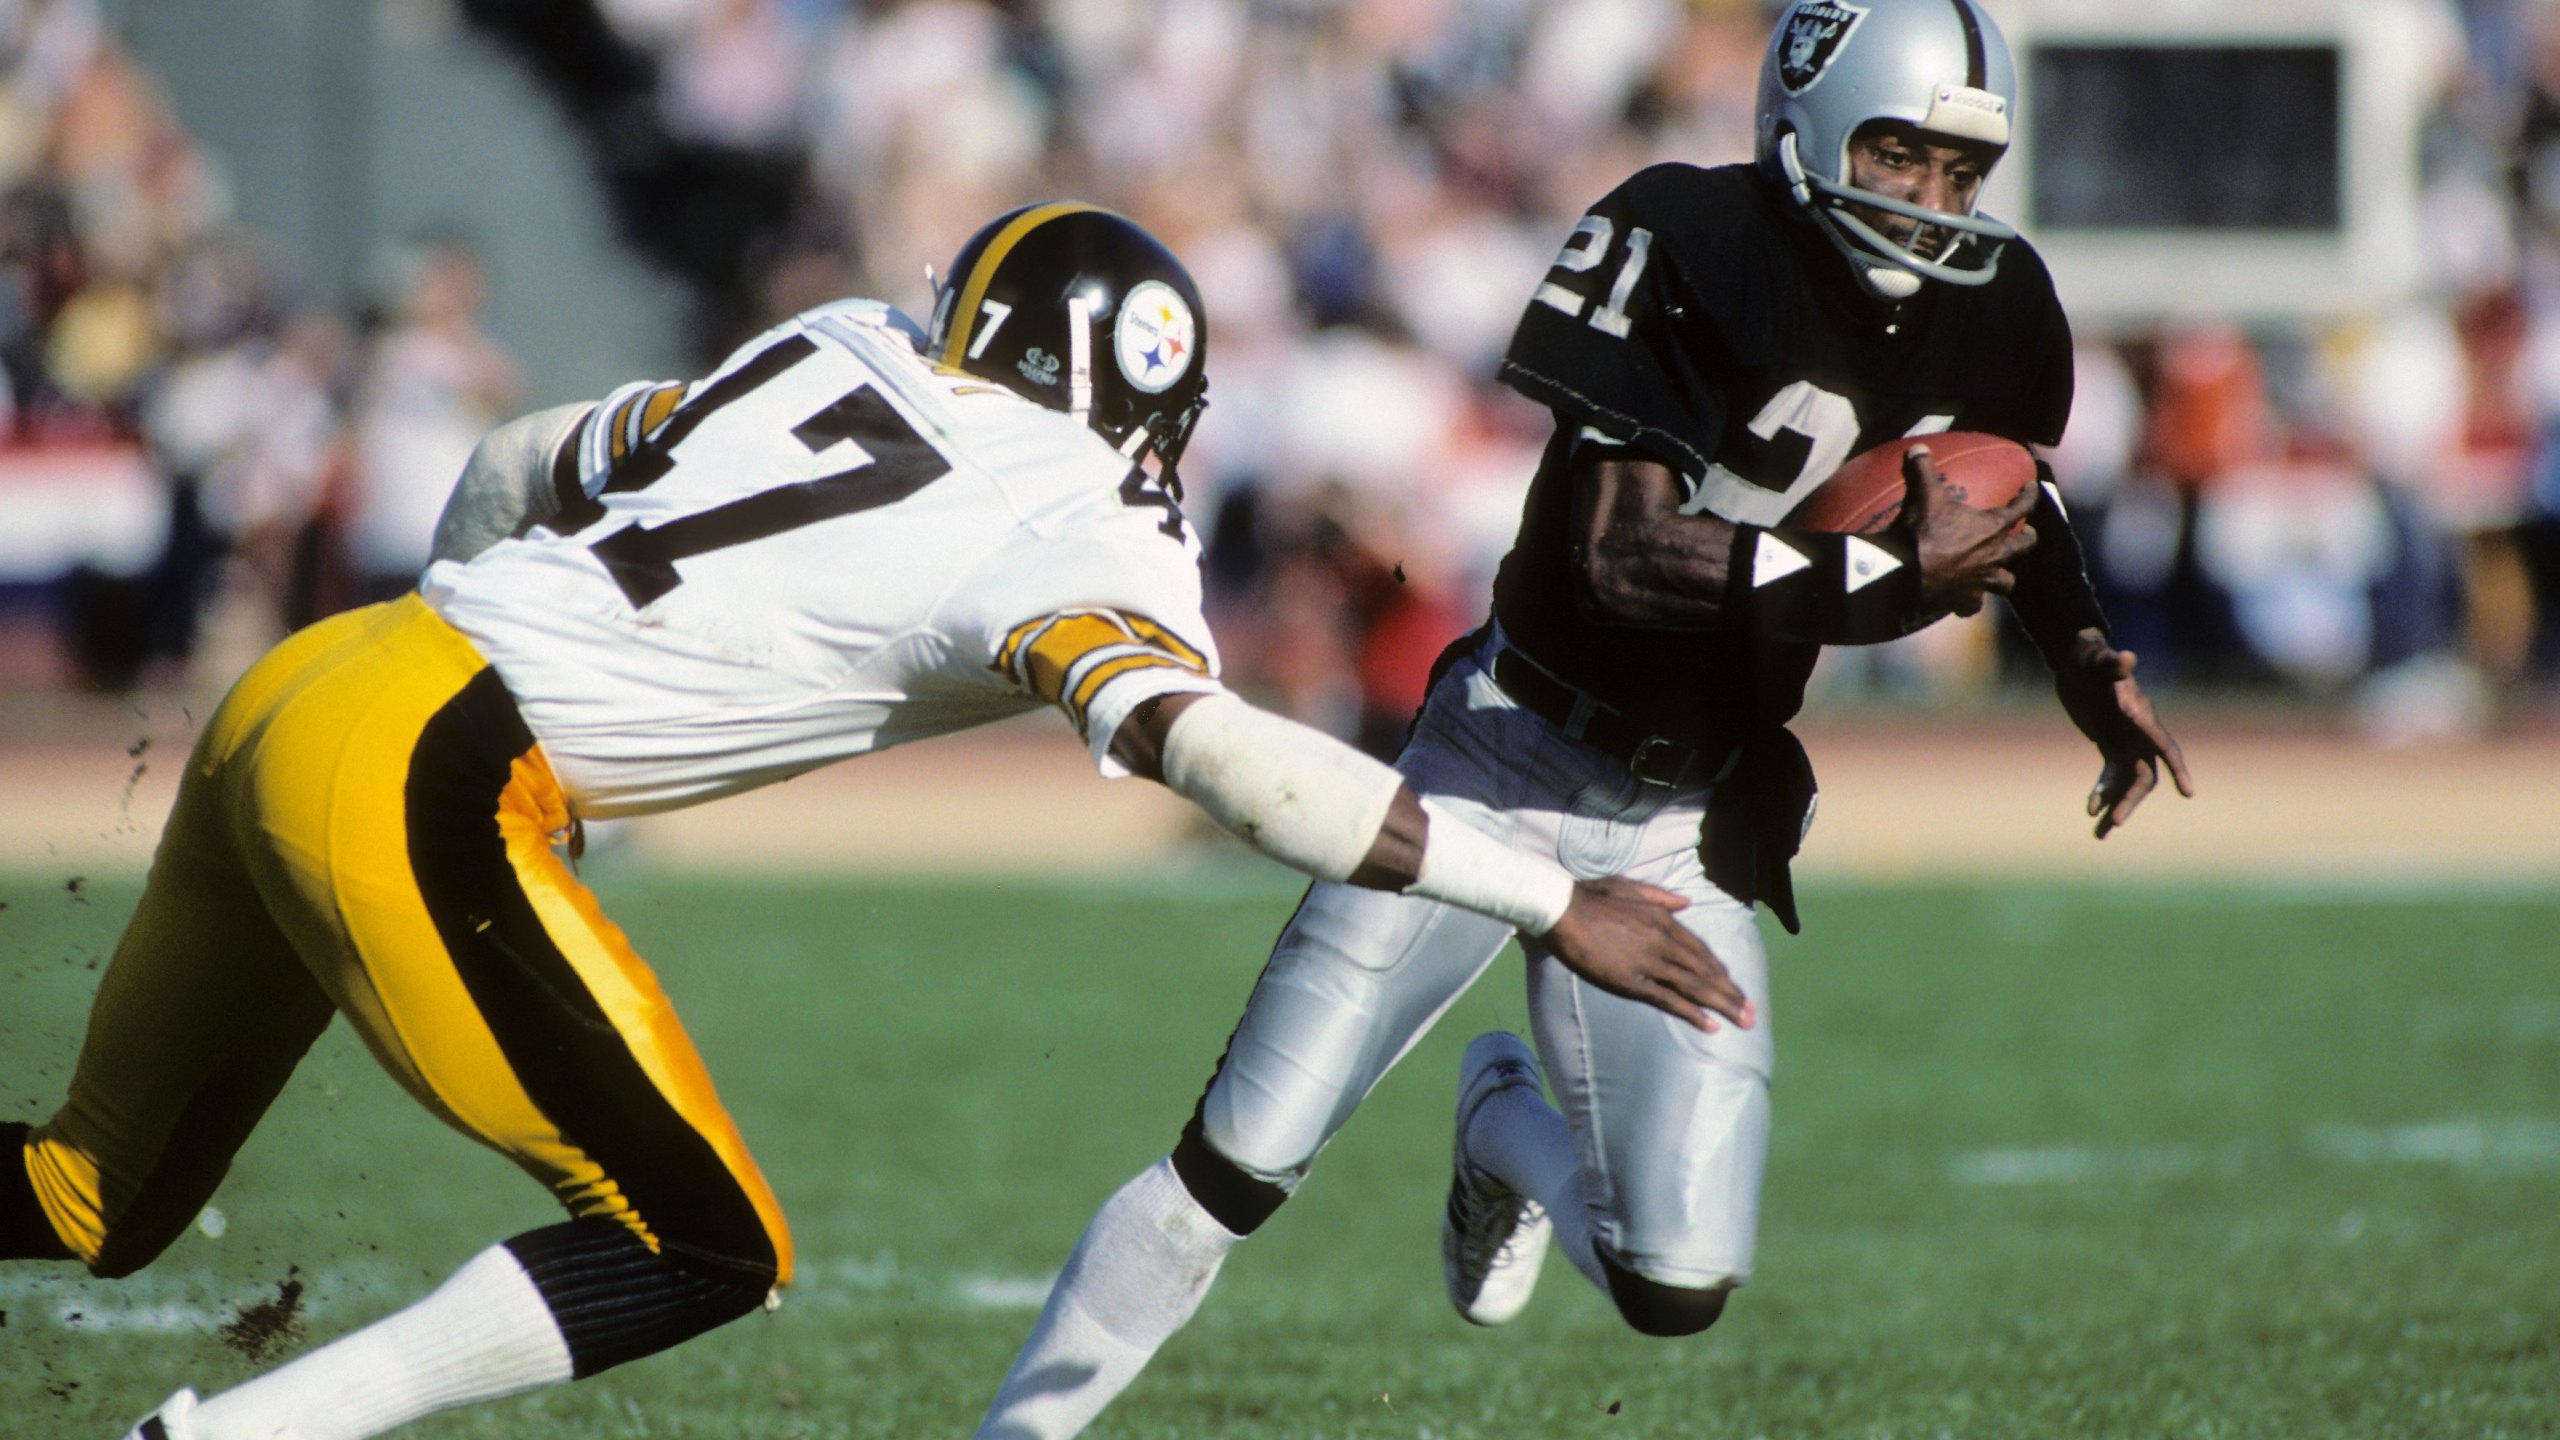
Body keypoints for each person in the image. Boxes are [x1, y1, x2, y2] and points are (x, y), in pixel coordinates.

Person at [0, 203, 1748, 1440]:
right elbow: (1227, 764)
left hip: (329, 673)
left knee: (93, 1189)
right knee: (697, 1245)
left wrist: (460, 626)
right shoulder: (1085, 526)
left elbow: (532, 454)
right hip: (425, 761)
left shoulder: (843, 346)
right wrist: (1541, 899)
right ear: (1154, 410)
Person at [971, 4, 2196, 1436]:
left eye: (1957, 171)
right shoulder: (1682, 235)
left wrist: (2085, 660)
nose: (1928, 201)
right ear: (1806, 124)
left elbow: (2009, 498)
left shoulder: (1995, 303)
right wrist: (1872, 577)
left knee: (1675, 1284)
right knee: (1237, 1164)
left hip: (1695, 815)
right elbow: (1628, 553)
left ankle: (1501, 1127)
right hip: (1503, 757)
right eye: (1899, 153)